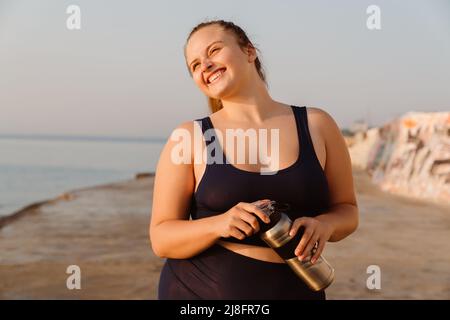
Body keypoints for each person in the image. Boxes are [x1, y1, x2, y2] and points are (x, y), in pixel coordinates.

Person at [149, 19, 359, 300]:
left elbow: (347, 209)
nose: (205, 66)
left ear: (249, 52)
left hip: (299, 290)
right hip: (199, 293)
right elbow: (161, 238)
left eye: (213, 51)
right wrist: (220, 223)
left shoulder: (317, 125)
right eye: (195, 65)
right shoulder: (189, 136)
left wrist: (326, 225)